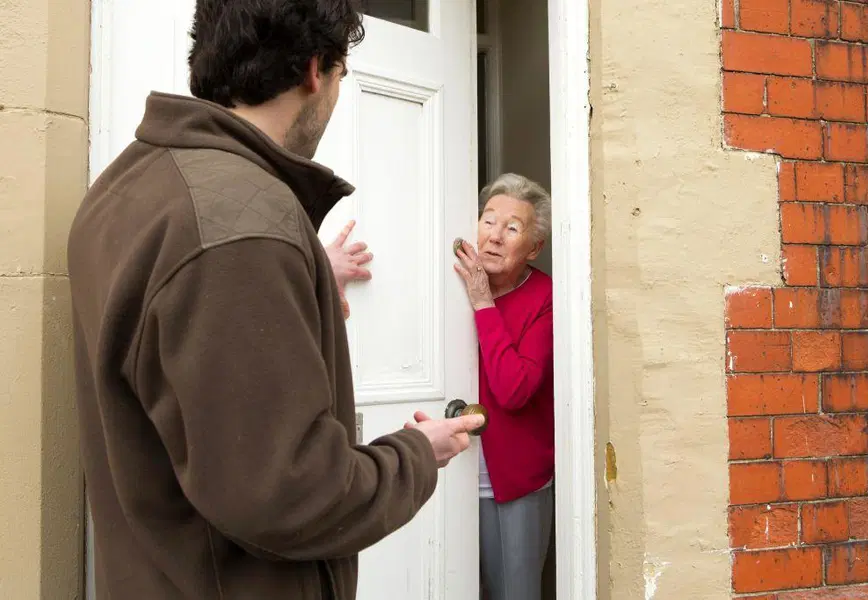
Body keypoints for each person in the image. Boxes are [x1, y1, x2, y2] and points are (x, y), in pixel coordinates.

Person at [66, 1, 484, 598]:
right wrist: (418, 453)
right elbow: (290, 494)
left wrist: (301, 283)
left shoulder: (127, 187)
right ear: (316, 70)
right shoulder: (242, 229)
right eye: (342, 77)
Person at [453, 173, 554, 600]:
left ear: (534, 247)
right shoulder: (446, 283)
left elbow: (515, 389)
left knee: (513, 592)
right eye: (488, 221)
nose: (494, 237)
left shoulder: (546, 297)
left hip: (512, 481)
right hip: (447, 470)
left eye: (511, 228)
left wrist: (482, 303)